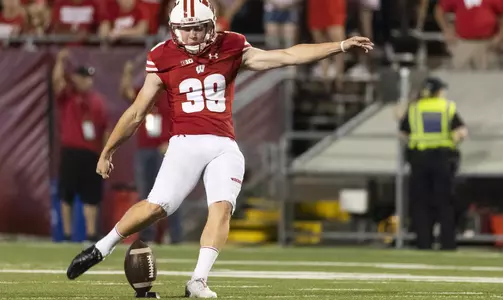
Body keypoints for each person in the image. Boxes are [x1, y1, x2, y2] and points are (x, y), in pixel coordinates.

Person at [65, 0, 373, 297]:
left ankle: (198, 280)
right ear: (173, 29)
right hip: (184, 143)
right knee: (157, 207)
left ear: (211, 24)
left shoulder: (232, 45)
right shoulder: (162, 56)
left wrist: (340, 46)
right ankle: (100, 248)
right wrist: (108, 151)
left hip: (223, 144)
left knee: (222, 207)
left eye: (199, 27)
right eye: (187, 29)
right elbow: (136, 112)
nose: (194, 34)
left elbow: (287, 55)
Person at [399, 77, 468, 251]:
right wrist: (452, 142)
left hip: (419, 159)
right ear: (439, 91)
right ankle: (447, 243)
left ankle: (423, 242)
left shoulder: (414, 108)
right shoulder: (446, 107)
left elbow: (403, 133)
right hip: (442, 159)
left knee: (421, 203)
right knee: (444, 203)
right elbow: (461, 132)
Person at [119, 61, 182, 244]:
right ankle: (148, 235)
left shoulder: (173, 95)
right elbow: (126, 92)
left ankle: (175, 235)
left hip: (166, 151)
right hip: (146, 149)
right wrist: (127, 73)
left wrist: (171, 142)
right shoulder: (144, 93)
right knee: (146, 193)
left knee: (171, 193)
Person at [53, 49, 109, 242]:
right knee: (66, 194)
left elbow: (105, 129)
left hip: (91, 153)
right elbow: (57, 83)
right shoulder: (68, 96)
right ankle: (67, 234)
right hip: (71, 151)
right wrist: (60, 61)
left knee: (91, 196)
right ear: (76, 78)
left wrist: (106, 153)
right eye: (84, 77)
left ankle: (91, 234)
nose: (88, 81)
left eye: (90, 77)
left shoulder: (98, 101)